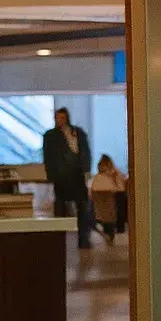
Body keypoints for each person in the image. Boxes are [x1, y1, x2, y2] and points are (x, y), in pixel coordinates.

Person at [42, 107, 93, 250]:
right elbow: (48, 157)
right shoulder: (51, 136)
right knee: (61, 209)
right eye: (58, 118)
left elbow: (86, 152)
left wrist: (86, 170)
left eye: (62, 118)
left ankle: (84, 240)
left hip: (78, 175)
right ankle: (59, 241)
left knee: (83, 208)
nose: (60, 120)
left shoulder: (78, 132)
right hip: (61, 177)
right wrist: (52, 175)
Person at [90, 153, 128, 243]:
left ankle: (112, 232)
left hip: (109, 207)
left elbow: (120, 189)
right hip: (105, 208)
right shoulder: (100, 177)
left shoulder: (114, 175)